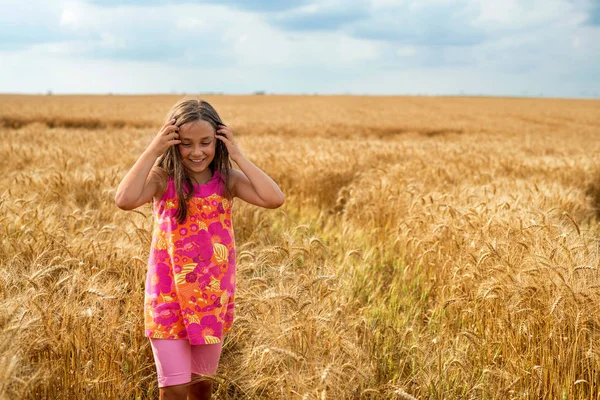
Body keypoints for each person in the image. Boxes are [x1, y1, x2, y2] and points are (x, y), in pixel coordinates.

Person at [115, 99, 285, 400]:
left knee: (201, 388)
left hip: (211, 299)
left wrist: (239, 156)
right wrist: (153, 150)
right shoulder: (162, 179)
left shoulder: (227, 181)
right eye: (186, 144)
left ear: (219, 142)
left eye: (206, 142)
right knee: (174, 390)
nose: (197, 152)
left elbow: (274, 199)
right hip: (167, 298)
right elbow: (124, 200)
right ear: (173, 143)